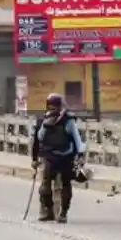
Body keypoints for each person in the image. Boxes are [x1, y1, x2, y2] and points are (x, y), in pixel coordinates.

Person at [30, 93, 85, 223]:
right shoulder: (68, 120)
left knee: (45, 185)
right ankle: (63, 213)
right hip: (66, 158)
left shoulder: (43, 120)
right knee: (66, 185)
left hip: (49, 157)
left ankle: (48, 211)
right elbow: (77, 140)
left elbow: (38, 139)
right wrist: (80, 156)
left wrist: (34, 158)